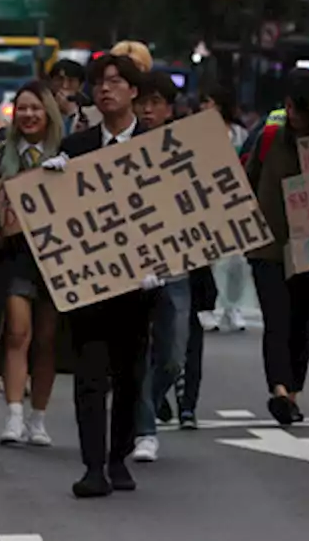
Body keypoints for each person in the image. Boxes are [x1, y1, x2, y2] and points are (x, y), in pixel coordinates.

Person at [40, 53, 156, 498]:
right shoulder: (76, 148)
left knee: (129, 376)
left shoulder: (157, 145)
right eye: (100, 83)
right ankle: (92, 466)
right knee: (90, 375)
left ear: (133, 91)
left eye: (115, 82)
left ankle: (117, 457)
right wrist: (51, 185)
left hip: (140, 287)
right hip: (89, 284)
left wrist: (161, 266)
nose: (106, 90)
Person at [245, 72, 309, 426]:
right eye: (287, 106)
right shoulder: (270, 136)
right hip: (268, 246)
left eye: (297, 108)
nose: (290, 113)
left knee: (303, 325)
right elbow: (248, 176)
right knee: (277, 320)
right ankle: (280, 391)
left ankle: (293, 393)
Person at [0, 81, 65, 448]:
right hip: (14, 260)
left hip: (59, 262)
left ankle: (38, 419)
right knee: (17, 333)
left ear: (49, 114)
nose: (28, 115)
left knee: (47, 340)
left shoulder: (69, 153)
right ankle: (13, 414)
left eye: (36, 109)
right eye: (22, 108)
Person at [129, 72, 190, 464]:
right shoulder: (120, 150)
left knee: (173, 354)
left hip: (177, 264)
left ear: (169, 109)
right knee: (136, 349)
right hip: (131, 265)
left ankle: (147, 398)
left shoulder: (188, 149)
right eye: (142, 103)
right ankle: (144, 428)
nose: (148, 110)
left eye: (156, 103)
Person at [198, 86, 252, 333]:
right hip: (204, 202)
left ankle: (233, 308)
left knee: (237, 261)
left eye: (208, 101)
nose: (203, 107)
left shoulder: (241, 135)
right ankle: (207, 308)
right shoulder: (196, 133)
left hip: (235, 202)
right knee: (206, 257)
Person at [48, 59, 90, 136]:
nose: (64, 86)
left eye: (71, 81)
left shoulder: (90, 108)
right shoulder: (42, 107)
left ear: (81, 85)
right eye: (59, 79)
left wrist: (72, 112)